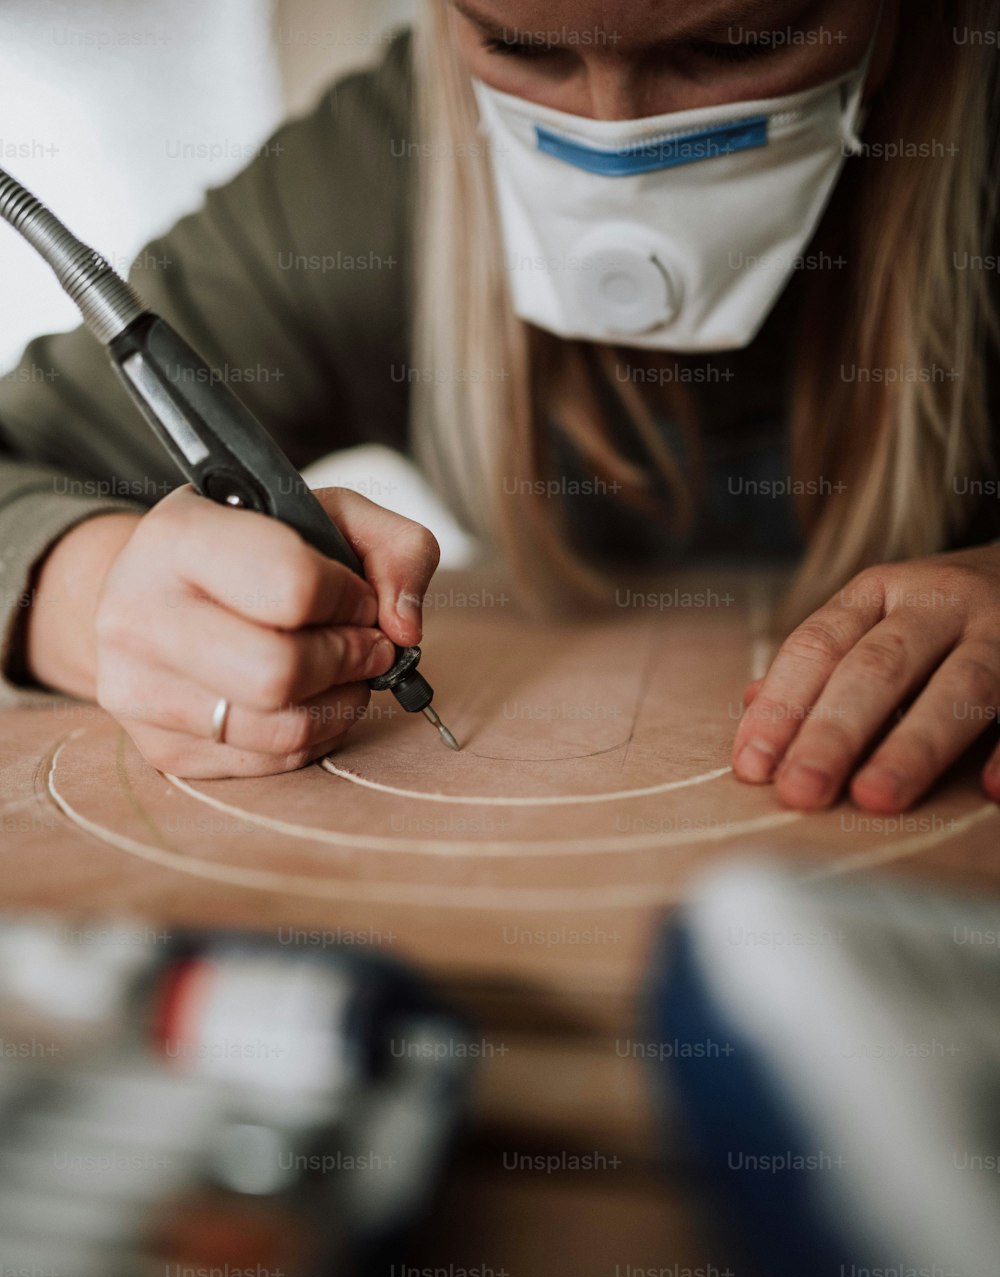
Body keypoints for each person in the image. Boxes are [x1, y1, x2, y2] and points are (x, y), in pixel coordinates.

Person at [0, 0, 996, 811]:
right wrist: (98, 597)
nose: (615, 139)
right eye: (520, 47)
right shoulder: (362, 187)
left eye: (738, 43)